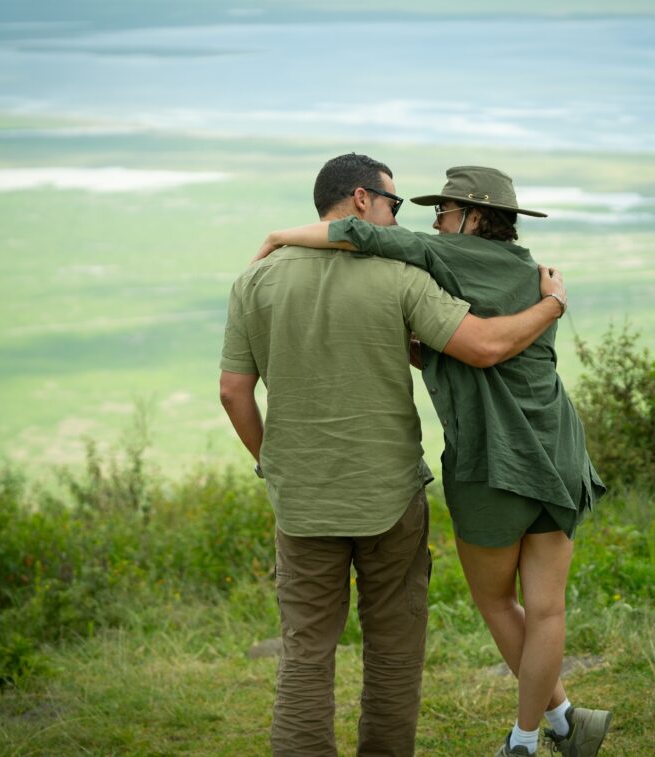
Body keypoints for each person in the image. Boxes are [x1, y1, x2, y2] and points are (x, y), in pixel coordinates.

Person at [253, 166, 610, 757]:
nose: (433, 221)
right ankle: (563, 725)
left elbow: (360, 235)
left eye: (443, 211)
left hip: (493, 457)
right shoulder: (529, 271)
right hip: (560, 449)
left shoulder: (443, 255)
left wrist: (277, 237)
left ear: (472, 216)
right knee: (548, 609)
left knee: (498, 601)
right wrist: (550, 305)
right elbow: (473, 351)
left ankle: (523, 745)